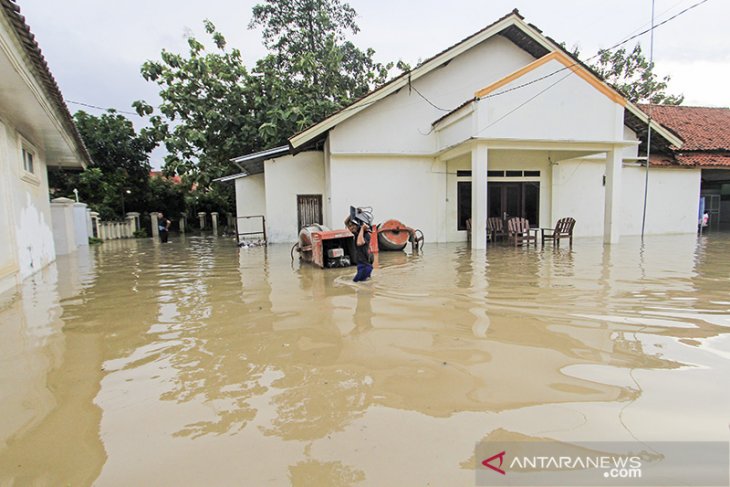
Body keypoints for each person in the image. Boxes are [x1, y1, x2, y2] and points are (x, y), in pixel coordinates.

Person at [345, 216, 373, 282]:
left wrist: (362, 229)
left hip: (365, 266)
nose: (351, 228)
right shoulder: (357, 234)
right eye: (349, 226)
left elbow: (359, 243)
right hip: (361, 265)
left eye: (353, 226)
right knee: (365, 285)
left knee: (356, 283)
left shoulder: (366, 234)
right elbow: (346, 222)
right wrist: (353, 214)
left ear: (357, 225)